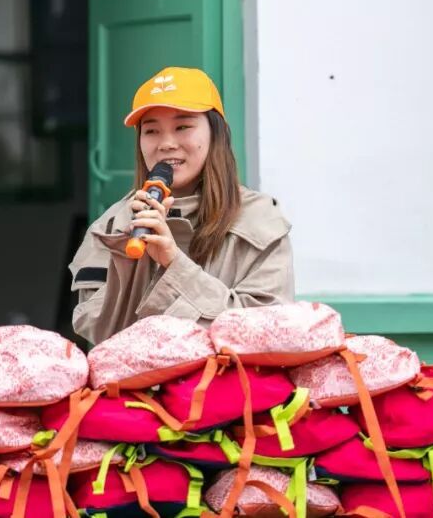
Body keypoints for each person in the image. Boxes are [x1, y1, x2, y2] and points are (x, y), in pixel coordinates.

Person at [71, 66, 294, 344]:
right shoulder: (112, 226)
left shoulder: (259, 219)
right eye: (151, 130)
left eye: (183, 127)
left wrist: (174, 263)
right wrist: (132, 263)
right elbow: (101, 333)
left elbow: (265, 331)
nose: (166, 143)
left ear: (217, 134)